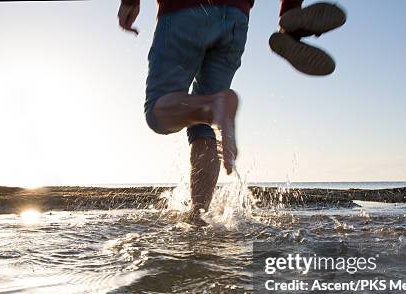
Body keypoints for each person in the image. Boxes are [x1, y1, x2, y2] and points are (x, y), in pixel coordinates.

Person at [118, 0, 345, 223]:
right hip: (237, 19)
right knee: (202, 123)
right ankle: (198, 216)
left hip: (182, 10)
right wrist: (291, 10)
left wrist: (130, 2)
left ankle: (213, 107)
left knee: (158, 112)